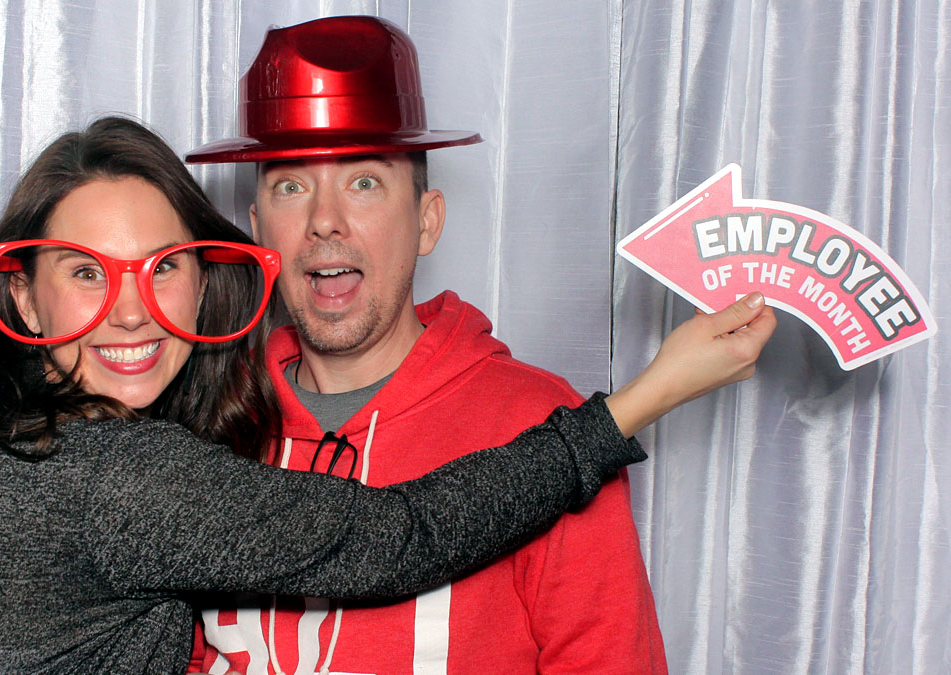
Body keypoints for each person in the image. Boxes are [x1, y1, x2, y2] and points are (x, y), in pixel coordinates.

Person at [0, 115, 745, 674]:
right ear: (24, 297)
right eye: (84, 272)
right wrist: (644, 397)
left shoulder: (137, 435)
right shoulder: (125, 466)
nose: (130, 306)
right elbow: (395, 538)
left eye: (163, 267)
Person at [184, 15, 777, 675]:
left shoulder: (539, 429)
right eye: (292, 186)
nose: (325, 220)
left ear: (427, 221)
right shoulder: (213, 422)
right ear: (258, 229)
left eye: (364, 182)